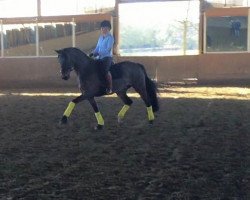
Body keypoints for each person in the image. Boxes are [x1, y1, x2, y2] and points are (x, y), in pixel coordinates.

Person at [89, 20, 114, 94]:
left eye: (105, 28)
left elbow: (108, 49)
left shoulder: (110, 38)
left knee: (105, 71)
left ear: (109, 29)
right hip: (98, 58)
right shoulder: (100, 38)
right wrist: (92, 53)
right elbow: (97, 47)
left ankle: (110, 88)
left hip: (106, 58)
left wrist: (98, 53)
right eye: (102, 28)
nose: (103, 30)